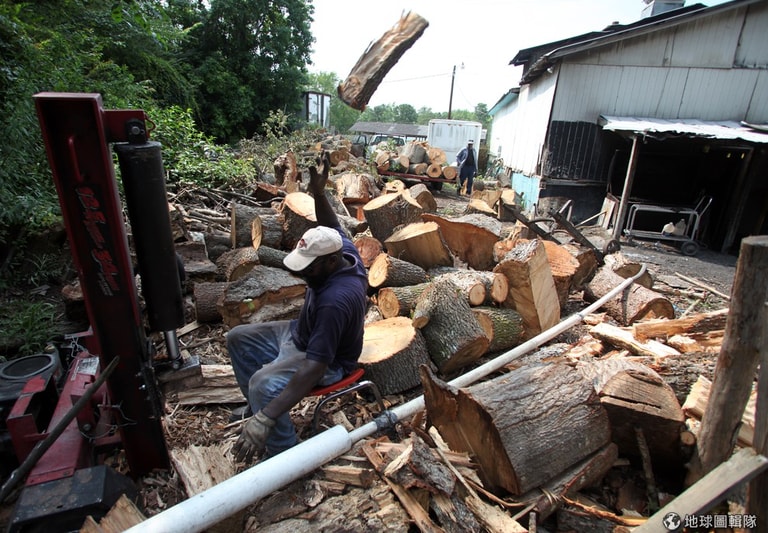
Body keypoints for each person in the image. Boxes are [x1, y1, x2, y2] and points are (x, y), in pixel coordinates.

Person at [227, 152, 368, 463]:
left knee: (262, 384)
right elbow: (331, 225)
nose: (301, 273)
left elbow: (316, 366)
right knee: (237, 337)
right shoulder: (343, 253)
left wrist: (267, 417)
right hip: (301, 333)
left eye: (309, 268)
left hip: (329, 362)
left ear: (330, 262)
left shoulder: (335, 301)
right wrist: (318, 192)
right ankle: (257, 407)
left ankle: (284, 455)